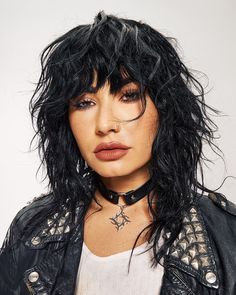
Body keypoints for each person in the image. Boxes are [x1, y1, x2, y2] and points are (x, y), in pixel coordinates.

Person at [0, 10, 235, 295]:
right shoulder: (32, 230)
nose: (105, 125)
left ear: (164, 107)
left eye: (128, 95)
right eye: (85, 103)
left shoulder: (224, 233)